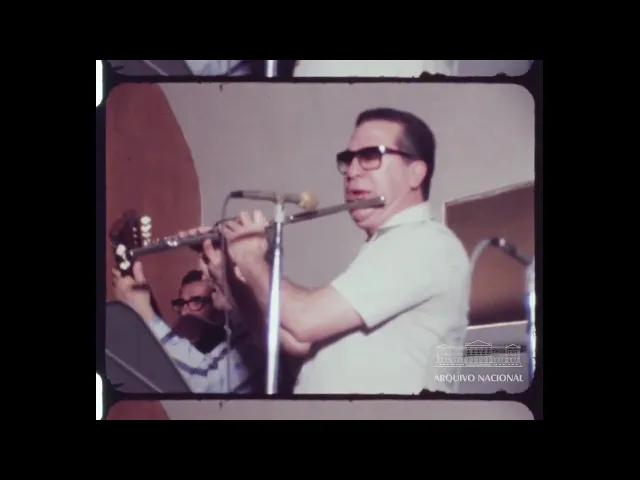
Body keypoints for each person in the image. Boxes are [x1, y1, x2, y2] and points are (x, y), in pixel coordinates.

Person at [205, 107, 471, 394]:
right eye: (348, 159)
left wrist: (251, 260)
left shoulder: (426, 242)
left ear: (415, 173)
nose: (352, 171)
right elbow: (293, 340)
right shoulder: (382, 249)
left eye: (370, 156)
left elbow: (304, 319)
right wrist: (229, 277)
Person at [112, 265, 264, 393]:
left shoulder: (253, 339)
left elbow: (204, 382)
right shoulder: (184, 339)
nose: (184, 312)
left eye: (196, 301)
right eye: (181, 303)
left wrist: (144, 312)